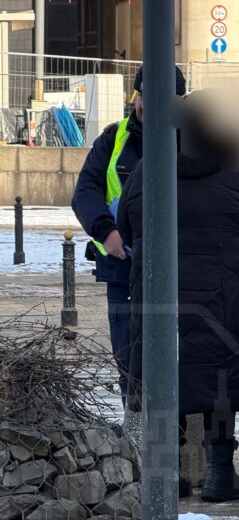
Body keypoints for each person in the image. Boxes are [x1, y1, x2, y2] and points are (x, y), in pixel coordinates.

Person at [117, 89, 239, 503]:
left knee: (164, 375)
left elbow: (128, 227)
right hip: (227, 294)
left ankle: (168, 475)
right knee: (221, 379)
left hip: (158, 299)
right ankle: (221, 473)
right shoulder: (236, 169)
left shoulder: (146, 171)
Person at [71, 65, 187, 404]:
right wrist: (107, 232)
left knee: (180, 360)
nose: (147, 106)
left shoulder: (193, 140)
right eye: (143, 96)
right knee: (129, 358)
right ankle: (137, 434)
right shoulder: (114, 138)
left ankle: (179, 442)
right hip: (123, 269)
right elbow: (85, 192)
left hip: (178, 270)